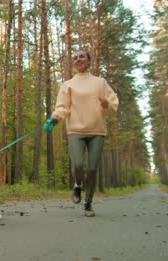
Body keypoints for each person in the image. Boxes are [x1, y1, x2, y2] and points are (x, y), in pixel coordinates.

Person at [43, 50, 119, 217]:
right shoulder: (68, 84)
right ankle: (78, 184)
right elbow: (62, 107)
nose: (78, 59)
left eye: (82, 57)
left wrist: (106, 105)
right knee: (78, 164)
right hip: (75, 130)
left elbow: (113, 104)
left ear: (89, 61)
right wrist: (55, 118)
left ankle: (88, 204)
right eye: (75, 57)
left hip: (97, 131)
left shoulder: (100, 83)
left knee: (92, 169)